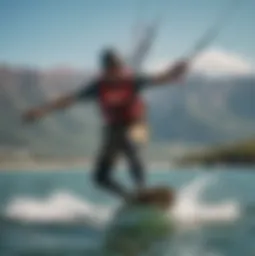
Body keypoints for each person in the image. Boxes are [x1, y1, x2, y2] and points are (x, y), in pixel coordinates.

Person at [23, 48, 188, 202]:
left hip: (138, 125)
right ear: (105, 69)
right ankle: (129, 198)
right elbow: (69, 99)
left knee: (132, 148)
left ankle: (142, 189)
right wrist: (41, 110)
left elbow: (161, 79)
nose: (116, 72)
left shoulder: (133, 80)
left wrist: (175, 71)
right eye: (112, 68)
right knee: (100, 177)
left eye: (118, 67)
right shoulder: (98, 86)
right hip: (113, 129)